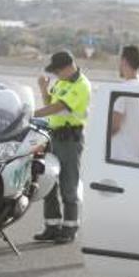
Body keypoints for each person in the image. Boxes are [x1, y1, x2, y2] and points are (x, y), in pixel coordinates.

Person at [33, 50, 91, 244]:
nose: (55, 75)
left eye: (57, 71)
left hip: (69, 139)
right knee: (48, 181)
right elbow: (50, 103)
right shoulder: (61, 82)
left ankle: (70, 227)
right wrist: (43, 89)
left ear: (68, 67)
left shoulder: (81, 85)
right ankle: (52, 226)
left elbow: (59, 107)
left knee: (68, 183)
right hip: (53, 135)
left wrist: (32, 114)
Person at [110, 45, 139, 164]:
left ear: (124, 61)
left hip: (121, 157)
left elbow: (115, 126)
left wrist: (99, 139)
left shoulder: (122, 90)